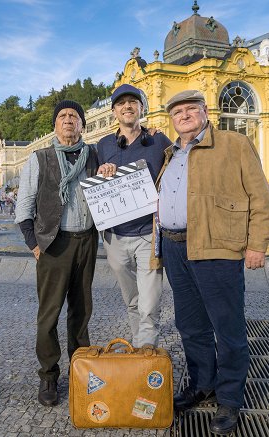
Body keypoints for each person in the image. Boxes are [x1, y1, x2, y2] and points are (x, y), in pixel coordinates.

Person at [153, 90, 269, 435]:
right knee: (191, 325)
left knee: (228, 328)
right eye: (177, 112)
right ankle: (202, 383)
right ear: (171, 120)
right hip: (176, 248)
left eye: (191, 109)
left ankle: (230, 398)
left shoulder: (234, 144)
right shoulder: (170, 153)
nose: (184, 115)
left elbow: (260, 197)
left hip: (218, 246)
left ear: (206, 112)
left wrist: (257, 244)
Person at [14, 100, 99, 407]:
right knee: (48, 314)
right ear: (55, 124)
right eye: (62, 116)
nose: (68, 120)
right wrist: (33, 244)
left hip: (86, 240)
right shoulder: (40, 158)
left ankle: (81, 370)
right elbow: (23, 206)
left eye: (74, 116)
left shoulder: (94, 155)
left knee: (81, 310)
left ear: (81, 125)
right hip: (54, 243)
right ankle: (49, 375)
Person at [96, 84, 171, 348]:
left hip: (149, 234)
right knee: (132, 301)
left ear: (141, 108)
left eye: (133, 102)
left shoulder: (158, 140)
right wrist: (102, 171)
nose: (127, 106)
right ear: (114, 111)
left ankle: (144, 352)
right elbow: (94, 185)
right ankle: (140, 349)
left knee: (149, 303)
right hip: (115, 237)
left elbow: (179, 167)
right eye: (121, 103)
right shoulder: (103, 145)